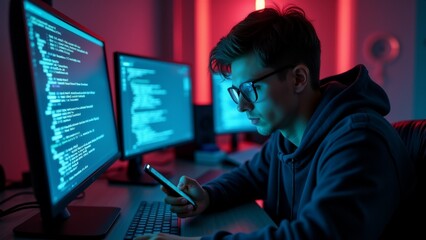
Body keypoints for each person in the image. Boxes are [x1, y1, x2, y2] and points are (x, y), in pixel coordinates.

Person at [136, 4, 415, 240]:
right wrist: (207, 195)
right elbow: (250, 176)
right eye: (237, 92)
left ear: (298, 79)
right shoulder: (288, 134)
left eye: (250, 89)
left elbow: (316, 235)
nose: (242, 105)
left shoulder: (358, 141)